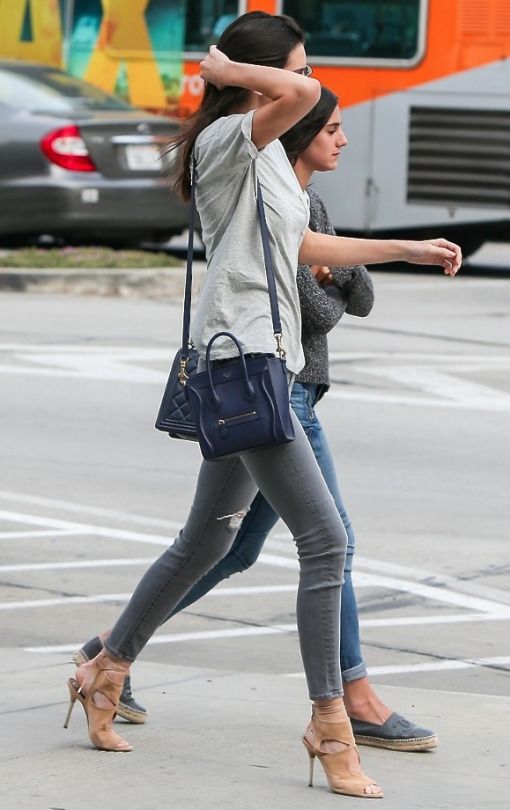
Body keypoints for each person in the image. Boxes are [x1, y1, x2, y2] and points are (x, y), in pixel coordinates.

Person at [66, 12, 460, 798]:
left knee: (206, 542)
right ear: (258, 77)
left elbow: (299, 246)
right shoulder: (227, 139)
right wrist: (224, 72)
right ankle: (331, 725)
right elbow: (300, 95)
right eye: (298, 68)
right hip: (244, 365)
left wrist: (406, 249)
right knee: (326, 541)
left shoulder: (267, 154)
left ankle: (104, 670)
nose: (309, 83)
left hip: (264, 364)